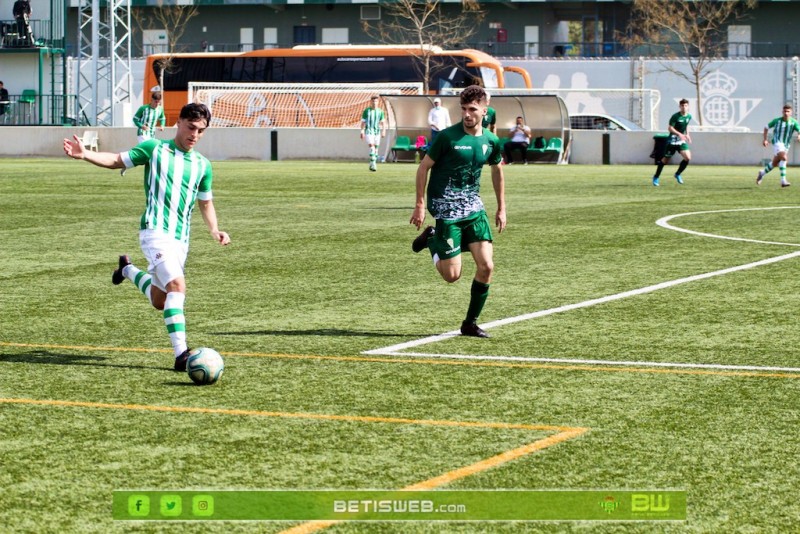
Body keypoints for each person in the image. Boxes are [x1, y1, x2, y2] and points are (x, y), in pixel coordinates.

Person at [62, 103, 231, 372]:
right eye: (191, 128)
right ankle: (181, 354)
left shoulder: (203, 165)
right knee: (177, 286)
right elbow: (117, 159)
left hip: (180, 240)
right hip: (154, 231)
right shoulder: (155, 149)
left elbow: (206, 202)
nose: (195, 135)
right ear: (179, 122)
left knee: (160, 300)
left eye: (201, 131)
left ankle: (127, 269)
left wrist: (214, 229)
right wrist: (86, 155)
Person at [409, 85, 507, 338]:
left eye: (472, 109)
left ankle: (470, 324)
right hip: (447, 210)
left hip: (474, 210)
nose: (467, 114)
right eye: (463, 109)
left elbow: (497, 171)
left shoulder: (491, 141)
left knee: (486, 266)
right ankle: (432, 238)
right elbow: (423, 168)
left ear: (485, 111)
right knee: (452, 276)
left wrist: (501, 208)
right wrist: (420, 204)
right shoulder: (446, 137)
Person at [756, 104, 800, 188]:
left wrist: (799, 135)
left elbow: (799, 130)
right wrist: (765, 139)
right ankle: (783, 181)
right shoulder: (777, 121)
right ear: (782, 112)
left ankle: (762, 173)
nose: (786, 113)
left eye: (788, 111)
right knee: (784, 158)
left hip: (786, 145)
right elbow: (766, 127)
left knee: (775, 163)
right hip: (777, 143)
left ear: (791, 113)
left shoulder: (793, 122)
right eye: (785, 111)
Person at [652, 98, 692, 187]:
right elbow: (670, 128)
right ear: (679, 106)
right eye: (682, 105)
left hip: (681, 140)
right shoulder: (675, 116)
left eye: (685, 105)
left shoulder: (689, 116)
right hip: (672, 140)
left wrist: (687, 135)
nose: (684, 107)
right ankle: (656, 177)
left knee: (688, 157)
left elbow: (687, 125)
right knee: (665, 160)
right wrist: (679, 134)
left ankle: (677, 174)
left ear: (688, 106)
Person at [360, 95, 386, 172]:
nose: (374, 102)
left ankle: (372, 163)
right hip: (368, 131)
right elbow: (363, 122)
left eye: (376, 101)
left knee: (376, 149)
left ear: (378, 102)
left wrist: (383, 131)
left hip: (377, 132)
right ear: (371, 102)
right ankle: (373, 164)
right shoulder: (366, 111)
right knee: (372, 147)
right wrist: (362, 131)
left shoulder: (380, 111)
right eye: (373, 101)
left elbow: (383, 122)